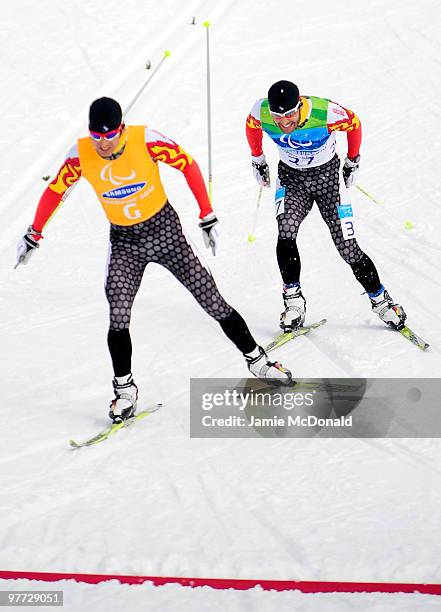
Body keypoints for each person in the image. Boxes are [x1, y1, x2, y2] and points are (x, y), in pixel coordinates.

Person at [17, 97, 291, 422]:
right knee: (118, 314)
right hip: (124, 242)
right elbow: (55, 190)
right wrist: (35, 232)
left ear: (121, 129)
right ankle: (125, 390)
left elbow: (186, 164)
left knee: (212, 301)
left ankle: (257, 360)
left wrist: (206, 213)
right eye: (96, 137)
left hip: (166, 233)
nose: (102, 145)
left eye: (109, 137)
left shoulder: (145, 139)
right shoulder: (80, 155)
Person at [246, 80, 406, 332]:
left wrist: (353, 161)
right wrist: (258, 159)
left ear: (299, 106)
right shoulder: (260, 110)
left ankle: (381, 301)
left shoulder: (326, 112)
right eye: (278, 117)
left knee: (347, 248)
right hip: (291, 178)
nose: (284, 123)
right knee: (285, 232)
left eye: (289, 115)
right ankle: (293, 302)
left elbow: (354, 124)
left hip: (328, 179)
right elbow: (251, 125)